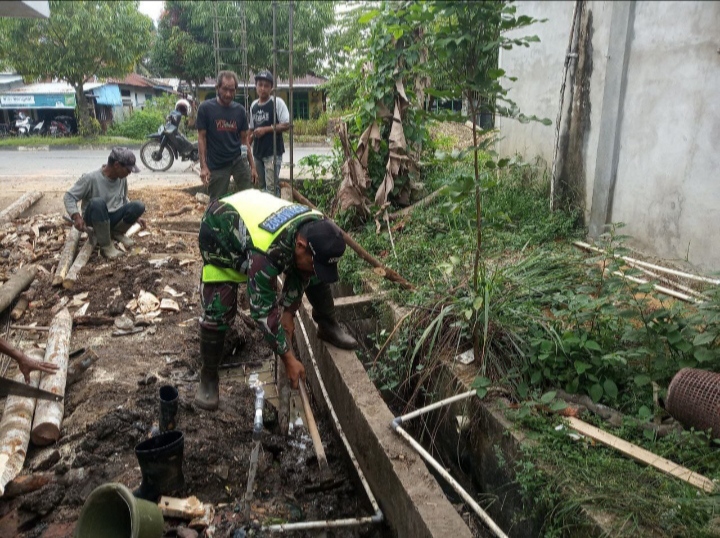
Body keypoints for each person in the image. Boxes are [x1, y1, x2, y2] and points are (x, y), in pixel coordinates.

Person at [195, 189, 358, 411]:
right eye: (311, 261)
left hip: (253, 216)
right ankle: (209, 377)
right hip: (220, 231)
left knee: (317, 274)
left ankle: (327, 325)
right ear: (300, 245)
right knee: (219, 309)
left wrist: (289, 312)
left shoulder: (318, 226)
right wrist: (288, 358)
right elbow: (262, 310)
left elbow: (301, 272)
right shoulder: (267, 250)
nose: (312, 267)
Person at [64, 147, 146, 259]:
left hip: (112, 217)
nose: (129, 173)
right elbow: (69, 196)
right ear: (116, 165)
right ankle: (106, 245)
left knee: (138, 206)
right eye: (128, 170)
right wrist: (76, 217)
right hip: (95, 218)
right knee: (98, 203)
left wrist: (135, 216)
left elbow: (123, 199)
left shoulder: (121, 178)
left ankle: (117, 232)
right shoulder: (91, 178)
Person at [197, 71, 258, 200]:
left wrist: (252, 167)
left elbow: (244, 141)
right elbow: (201, 138)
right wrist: (203, 167)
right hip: (217, 164)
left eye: (232, 90)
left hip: (238, 161)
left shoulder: (240, 111)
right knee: (216, 203)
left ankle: (243, 220)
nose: (228, 94)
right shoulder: (205, 109)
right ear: (217, 88)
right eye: (225, 89)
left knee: (249, 196)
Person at [249, 70, 290, 197]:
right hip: (257, 153)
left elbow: (287, 124)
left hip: (273, 153)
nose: (263, 88)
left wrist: (266, 129)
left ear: (271, 88)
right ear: (256, 86)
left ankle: (275, 214)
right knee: (261, 186)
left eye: (266, 85)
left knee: (271, 187)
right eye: (260, 84)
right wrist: (246, 149)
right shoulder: (254, 105)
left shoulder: (277, 103)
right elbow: (251, 128)